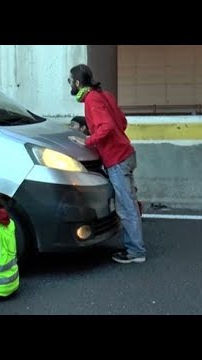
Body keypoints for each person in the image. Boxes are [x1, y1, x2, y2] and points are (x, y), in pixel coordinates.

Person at [67, 64, 146, 264]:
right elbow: (122, 122)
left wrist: (88, 140)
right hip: (126, 153)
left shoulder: (91, 100)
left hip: (116, 159)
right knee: (128, 203)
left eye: (70, 81)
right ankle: (133, 246)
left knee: (125, 207)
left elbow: (107, 126)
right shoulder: (104, 95)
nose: (70, 85)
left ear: (77, 82)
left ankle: (136, 251)